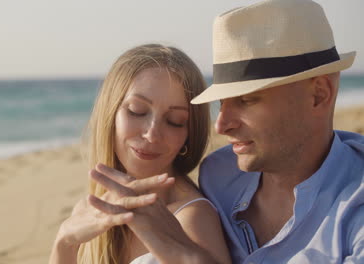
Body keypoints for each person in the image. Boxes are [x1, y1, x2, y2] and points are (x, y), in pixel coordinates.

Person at [86, 0, 363, 263]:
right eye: (222, 103)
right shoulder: (219, 174)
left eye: (246, 100)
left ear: (318, 95)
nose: (221, 125)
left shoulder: (355, 211)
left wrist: (184, 255)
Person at [49, 44, 231, 264]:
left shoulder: (191, 218)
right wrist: (64, 241)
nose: (152, 134)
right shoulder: (88, 211)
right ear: (110, 114)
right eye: (137, 110)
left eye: (175, 121)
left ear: (188, 136)